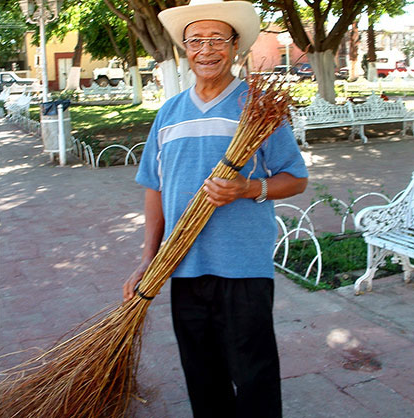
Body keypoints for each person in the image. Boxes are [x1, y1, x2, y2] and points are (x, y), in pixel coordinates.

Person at [121, 1, 309, 417]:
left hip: (242, 267)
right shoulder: (168, 113)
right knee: (202, 379)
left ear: (235, 46)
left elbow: (295, 178)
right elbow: (154, 189)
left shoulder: (258, 109)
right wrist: (147, 260)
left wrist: (247, 187)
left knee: (254, 376)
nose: (206, 50)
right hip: (183, 268)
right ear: (184, 49)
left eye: (216, 40)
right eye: (196, 41)